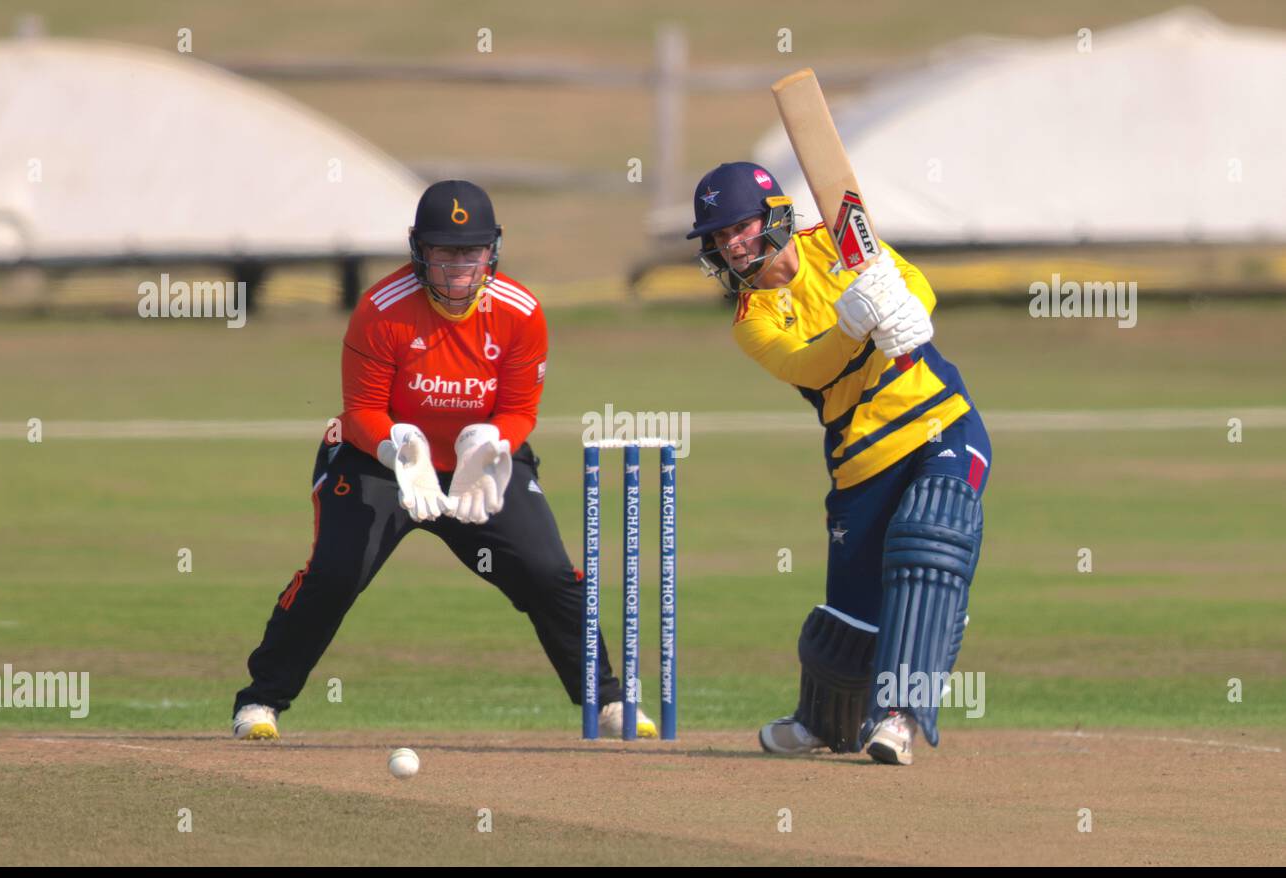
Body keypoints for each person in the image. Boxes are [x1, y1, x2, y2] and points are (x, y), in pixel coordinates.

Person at [232, 180, 655, 740]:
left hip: (477, 465)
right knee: (336, 575)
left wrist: (493, 444)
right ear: (418, 249)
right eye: (444, 252)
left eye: (470, 252)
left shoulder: (520, 312)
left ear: (493, 250)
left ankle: (607, 702)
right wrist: (396, 449)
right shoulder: (382, 310)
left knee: (546, 573)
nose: (458, 267)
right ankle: (260, 702)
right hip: (377, 462)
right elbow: (361, 411)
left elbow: (521, 410)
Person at [687, 162, 991, 765]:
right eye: (719, 238)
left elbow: (909, 280)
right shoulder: (754, 319)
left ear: (774, 217)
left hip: (939, 420)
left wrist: (910, 308)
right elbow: (811, 368)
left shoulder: (834, 239)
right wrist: (854, 326)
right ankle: (823, 722)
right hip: (859, 456)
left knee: (929, 542)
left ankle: (900, 718)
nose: (732, 244)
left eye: (740, 228)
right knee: (848, 622)